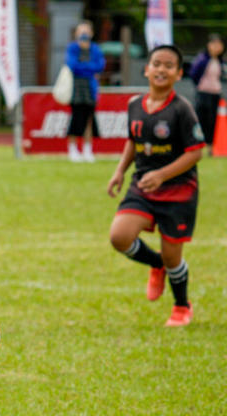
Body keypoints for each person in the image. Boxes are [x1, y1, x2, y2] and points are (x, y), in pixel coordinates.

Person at [107, 44, 205, 327]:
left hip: (179, 191)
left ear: (178, 73)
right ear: (147, 69)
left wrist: (162, 174)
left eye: (169, 65)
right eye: (156, 63)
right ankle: (155, 263)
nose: (161, 69)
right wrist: (120, 171)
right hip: (143, 186)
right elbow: (132, 140)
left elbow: (196, 152)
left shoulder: (182, 109)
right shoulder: (134, 105)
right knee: (120, 237)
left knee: (174, 256)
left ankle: (182, 306)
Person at [65, 20, 105, 163]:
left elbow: (99, 66)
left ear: (91, 33)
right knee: (76, 117)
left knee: (89, 119)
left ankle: (87, 149)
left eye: (86, 31)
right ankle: (72, 149)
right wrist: (89, 69)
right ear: (76, 33)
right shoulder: (72, 48)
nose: (84, 34)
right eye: (81, 31)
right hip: (76, 87)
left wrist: (85, 68)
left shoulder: (95, 49)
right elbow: (72, 65)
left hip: (90, 87)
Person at [187, 34, 225, 150]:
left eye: (219, 45)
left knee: (212, 120)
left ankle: (211, 145)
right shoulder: (202, 59)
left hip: (215, 94)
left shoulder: (220, 61)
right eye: (214, 44)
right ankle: (198, 143)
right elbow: (193, 74)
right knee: (201, 119)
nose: (216, 47)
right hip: (203, 93)